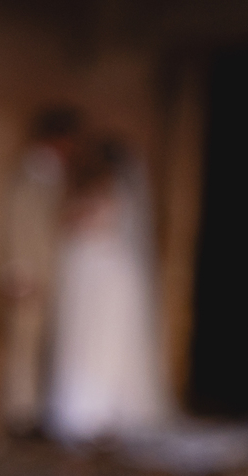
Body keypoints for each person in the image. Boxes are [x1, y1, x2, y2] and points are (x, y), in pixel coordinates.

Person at [45, 138, 172, 445]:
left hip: (103, 277)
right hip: (97, 275)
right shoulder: (106, 192)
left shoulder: (113, 194)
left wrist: (73, 220)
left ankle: (94, 410)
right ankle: (87, 410)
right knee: (87, 340)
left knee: (99, 341)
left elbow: (92, 224)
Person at [0, 109, 78, 436]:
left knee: (44, 343)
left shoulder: (58, 174)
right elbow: (9, 224)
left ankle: (40, 412)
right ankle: (19, 417)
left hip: (54, 272)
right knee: (22, 345)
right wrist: (15, 270)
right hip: (26, 274)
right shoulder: (24, 174)